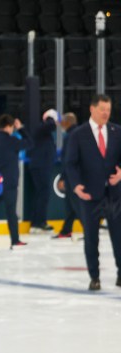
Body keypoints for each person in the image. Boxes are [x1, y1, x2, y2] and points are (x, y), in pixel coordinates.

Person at [62, 93, 121, 291]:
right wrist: (76, 185)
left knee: (119, 236)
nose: (106, 113)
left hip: (114, 194)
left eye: (108, 110)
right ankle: (94, 276)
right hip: (89, 195)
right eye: (103, 109)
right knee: (91, 238)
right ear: (92, 109)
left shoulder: (116, 131)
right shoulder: (78, 134)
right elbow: (70, 164)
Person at [0, 113, 32, 248]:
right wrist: (21, 129)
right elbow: (30, 142)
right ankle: (15, 239)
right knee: (11, 213)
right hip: (10, 182)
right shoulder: (12, 141)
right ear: (9, 126)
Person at [27, 108, 60, 233]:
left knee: (41, 193)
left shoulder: (43, 133)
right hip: (40, 166)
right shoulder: (42, 129)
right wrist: (52, 118)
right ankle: (39, 222)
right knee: (43, 193)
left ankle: (37, 222)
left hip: (41, 165)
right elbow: (50, 125)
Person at [56, 112, 80, 239]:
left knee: (76, 204)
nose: (61, 124)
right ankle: (66, 230)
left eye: (63, 122)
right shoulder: (80, 133)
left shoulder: (70, 136)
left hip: (72, 175)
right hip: (79, 174)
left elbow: (67, 159)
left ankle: (90, 230)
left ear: (68, 122)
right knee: (71, 204)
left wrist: (63, 177)